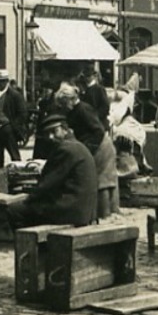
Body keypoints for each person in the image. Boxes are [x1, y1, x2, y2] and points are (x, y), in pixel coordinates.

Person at [7, 114, 97, 229]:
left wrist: (30, 197)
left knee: (14, 210)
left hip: (70, 210)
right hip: (84, 208)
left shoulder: (65, 149)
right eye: (47, 133)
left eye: (54, 131)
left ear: (65, 130)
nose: (50, 136)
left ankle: (32, 245)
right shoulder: (78, 146)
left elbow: (48, 184)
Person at [55, 82, 118, 220]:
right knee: (102, 180)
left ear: (70, 99)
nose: (63, 107)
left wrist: (86, 149)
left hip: (101, 145)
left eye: (63, 103)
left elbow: (98, 130)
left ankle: (106, 216)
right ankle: (105, 214)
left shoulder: (83, 109)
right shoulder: (76, 109)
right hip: (96, 143)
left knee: (102, 181)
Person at [0, 69, 28, 167]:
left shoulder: (15, 95)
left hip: (8, 129)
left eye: (1, 81)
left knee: (14, 155)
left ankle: (18, 174)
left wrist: (12, 126)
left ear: (6, 82)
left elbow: (23, 114)